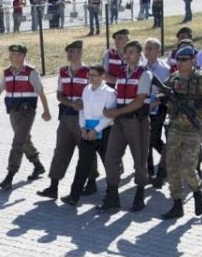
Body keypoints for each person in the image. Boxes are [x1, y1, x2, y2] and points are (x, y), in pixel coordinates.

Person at [0, 44, 51, 190]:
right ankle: (38, 165)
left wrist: (46, 111)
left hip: (27, 112)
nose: (16, 57)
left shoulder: (31, 72)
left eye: (19, 55)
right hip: (13, 112)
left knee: (17, 143)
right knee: (24, 140)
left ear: (24, 56)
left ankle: (10, 175)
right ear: (9, 56)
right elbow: (0, 89)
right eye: (13, 54)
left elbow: (41, 92)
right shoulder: (7, 73)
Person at [160, 46, 202, 219]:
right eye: (178, 59)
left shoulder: (201, 79)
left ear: (192, 60)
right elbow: (164, 94)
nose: (180, 63)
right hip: (176, 127)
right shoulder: (174, 78)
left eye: (184, 60)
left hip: (193, 128)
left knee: (187, 166)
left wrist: (196, 114)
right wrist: (158, 100)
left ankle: (197, 191)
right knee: (172, 166)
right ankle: (177, 204)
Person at [36, 40, 98, 200]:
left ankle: (91, 182)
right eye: (68, 52)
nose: (69, 55)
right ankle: (53, 186)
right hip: (66, 117)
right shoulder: (63, 71)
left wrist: (84, 104)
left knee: (86, 151)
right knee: (60, 150)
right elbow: (59, 94)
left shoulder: (89, 72)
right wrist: (71, 103)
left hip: (83, 118)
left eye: (73, 51)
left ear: (80, 52)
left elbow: (96, 93)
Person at [99, 40, 152, 212]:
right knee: (111, 158)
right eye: (126, 52)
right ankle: (113, 196)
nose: (127, 55)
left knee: (140, 159)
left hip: (136, 121)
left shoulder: (145, 74)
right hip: (120, 121)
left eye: (131, 52)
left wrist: (116, 113)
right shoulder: (121, 73)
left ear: (139, 54)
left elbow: (139, 102)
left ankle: (139, 195)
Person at [61, 64, 116, 206]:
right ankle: (74, 196)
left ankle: (112, 198)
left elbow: (109, 116)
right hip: (87, 132)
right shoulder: (86, 89)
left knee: (109, 165)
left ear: (103, 76)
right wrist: (83, 128)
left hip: (104, 132)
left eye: (94, 75)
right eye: (89, 75)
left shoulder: (109, 92)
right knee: (82, 165)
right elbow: (82, 110)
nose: (91, 78)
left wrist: (96, 130)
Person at [142, 38, 170, 181]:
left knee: (153, 139)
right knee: (145, 141)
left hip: (157, 108)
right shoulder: (141, 67)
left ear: (158, 52)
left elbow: (166, 91)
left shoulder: (164, 69)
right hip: (142, 108)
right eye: (146, 48)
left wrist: (155, 102)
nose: (147, 51)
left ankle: (169, 159)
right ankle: (149, 171)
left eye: (151, 48)